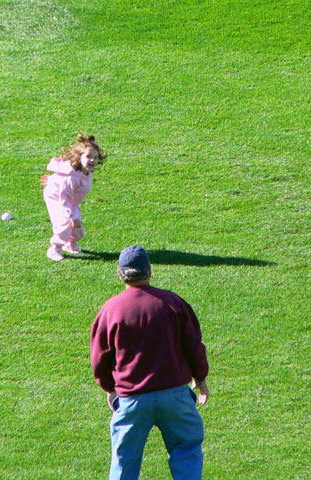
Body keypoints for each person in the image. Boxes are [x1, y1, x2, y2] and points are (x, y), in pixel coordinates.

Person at [90, 245, 210, 480]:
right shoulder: (173, 303)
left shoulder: (111, 309)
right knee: (186, 451)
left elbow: (99, 356)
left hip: (131, 400)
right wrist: (201, 377)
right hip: (175, 397)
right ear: (150, 271)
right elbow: (194, 345)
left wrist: (109, 387)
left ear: (120, 273)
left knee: (124, 462)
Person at [40, 133, 107, 261]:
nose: (92, 160)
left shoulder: (87, 171)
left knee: (78, 227)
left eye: (95, 157)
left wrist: (53, 179)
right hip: (56, 198)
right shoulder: (71, 177)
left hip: (70, 200)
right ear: (79, 157)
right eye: (88, 157)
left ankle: (70, 244)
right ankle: (54, 249)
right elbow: (63, 197)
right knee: (64, 224)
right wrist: (72, 215)